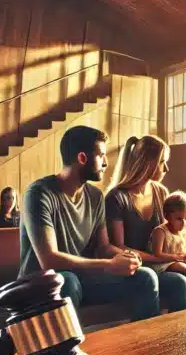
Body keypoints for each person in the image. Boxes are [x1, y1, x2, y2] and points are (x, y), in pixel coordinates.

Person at [19, 125, 161, 322]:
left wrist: (128, 257)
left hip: (81, 279)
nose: (106, 162)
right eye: (101, 155)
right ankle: (69, 344)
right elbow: (49, 260)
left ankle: (143, 340)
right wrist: (109, 265)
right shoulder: (39, 194)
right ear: (82, 158)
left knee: (146, 277)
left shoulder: (95, 196)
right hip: (40, 285)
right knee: (67, 281)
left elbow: (103, 247)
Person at [105, 135, 186, 310]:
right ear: (147, 163)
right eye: (162, 162)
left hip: (164, 262)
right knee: (179, 282)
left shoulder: (161, 192)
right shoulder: (116, 197)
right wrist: (157, 257)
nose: (166, 168)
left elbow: (172, 233)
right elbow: (119, 246)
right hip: (135, 268)